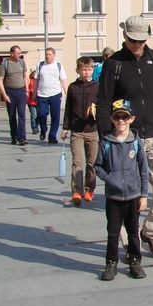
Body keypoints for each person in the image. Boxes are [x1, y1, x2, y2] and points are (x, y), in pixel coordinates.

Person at [96, 15, 153, 258]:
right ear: (125, 36)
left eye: (141, 40)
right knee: (125, 192)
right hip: (125, 137)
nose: (137, 45)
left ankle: (151, 232)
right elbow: (103, 103)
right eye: (133, 40)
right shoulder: (114, 64)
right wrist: (106, 137)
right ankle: (129, 242)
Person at [94, 99, 148, 281]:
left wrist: (144, 195)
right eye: (117, 117)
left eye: (125, 117)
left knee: (133, 231)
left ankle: (135, 261)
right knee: (113, 232)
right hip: (114, 196)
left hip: (133, 195)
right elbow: (98, 166)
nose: (121, 121)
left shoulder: (136, 142)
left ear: (132, 119)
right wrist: (110, 178)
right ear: (112, 119)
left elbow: (143, 169)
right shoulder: (106, 142)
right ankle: (111, 262)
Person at [61, 56, 99, 205]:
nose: (86, 72)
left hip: (93, 130)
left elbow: (103, 107)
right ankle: (77, 191)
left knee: (92, 163)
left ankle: (89, 189)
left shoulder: (97, 86)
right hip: (76, 130)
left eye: (89, 70)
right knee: (77, 162)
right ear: (78, 70)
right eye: (84, 70)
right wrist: (65, 127)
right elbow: (68, 108)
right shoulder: (72, 87)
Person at [33, 47, 68, 144]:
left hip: (55, 94)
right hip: (42, 94)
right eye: (46, 54)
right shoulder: (40, 65)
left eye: (49, 54)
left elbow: (63, 80)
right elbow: (36, 80)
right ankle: (43, 130)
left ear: (54, 55)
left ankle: (52, 136)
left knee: (55, 116)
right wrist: (33, 93)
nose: (47, 56)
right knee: (42, 114)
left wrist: (67, 93)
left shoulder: (58, 66)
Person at [0, 45, 29, 146]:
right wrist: (4, 94)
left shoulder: (22, 62)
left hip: (21, 91)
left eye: (20, 53)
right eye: (18, 53)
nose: (20, 55)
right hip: (10, 92)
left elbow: (25, 76)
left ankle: (22, 138)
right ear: (12, 54)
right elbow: (0, 80)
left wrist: (27, 90)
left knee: (21, 115)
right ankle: (14, 137)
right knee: (12, 116)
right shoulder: (5, 64)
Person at [27, 70, 39, 135]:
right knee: (33, 115)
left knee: (39, 115)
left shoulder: (39, 81)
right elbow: (27, 89)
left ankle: (37, 126)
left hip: (38, 101)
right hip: (31, 102)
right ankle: (34, 128)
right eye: (34, 74)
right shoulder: (30, 80)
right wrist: (30, 91)